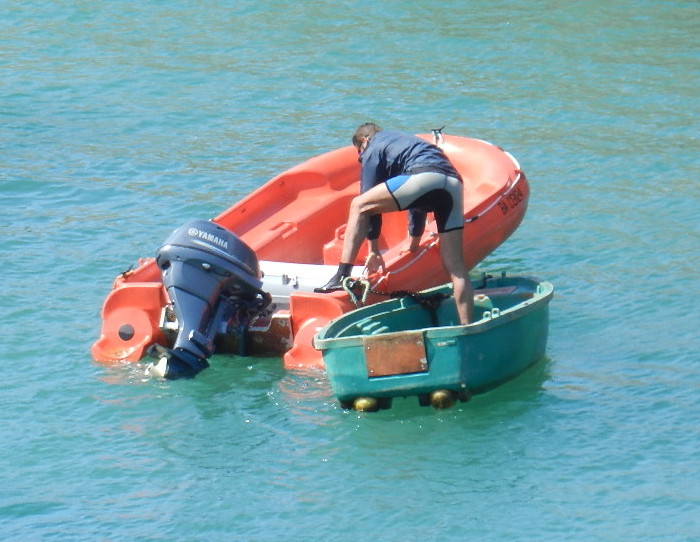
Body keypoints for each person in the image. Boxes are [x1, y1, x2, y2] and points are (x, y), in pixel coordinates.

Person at [315, 123, 474, 324]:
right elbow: (419, 203)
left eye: (360, 153)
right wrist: (414, 243)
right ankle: (468, 327)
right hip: (452, 182)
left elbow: (368, 201)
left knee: (358, 205)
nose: (362, 158)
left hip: (422, 176)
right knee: (457, 269)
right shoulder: (403, 142)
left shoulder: (372, 147)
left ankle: (341, 275)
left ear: (364, 141)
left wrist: (373, 250)